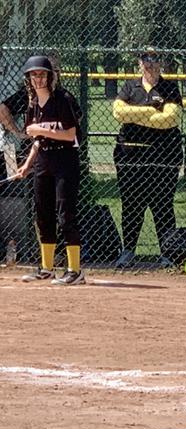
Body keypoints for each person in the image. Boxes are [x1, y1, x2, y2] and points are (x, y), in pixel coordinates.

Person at [14, 55, 84, 286]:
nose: (38, 78)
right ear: (29, 79)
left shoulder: (62, 99)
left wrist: (40, 130)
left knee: (65, 215)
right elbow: (38, 141)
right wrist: (27, 164)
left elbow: (70, 134)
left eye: (42, 74)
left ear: (50, 77)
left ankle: (75, 270)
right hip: (44, 161)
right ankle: (47, 268)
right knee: (43, 214)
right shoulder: (33, 103)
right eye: (34, 75)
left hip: (65, 160)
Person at [112, 48, 183, 268]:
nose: (150, 64)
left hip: (163, 156)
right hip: (130, 156)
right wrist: (152, 110)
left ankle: (167, 253)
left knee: (162, 204)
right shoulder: (129, 86)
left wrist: (134, 114)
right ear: (139, 63)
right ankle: (128, 251)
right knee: (131, 204)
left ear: (161, 63)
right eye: (146, 59)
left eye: (155, 59)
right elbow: (118, 113)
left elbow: (169, 119)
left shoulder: (169, 87)